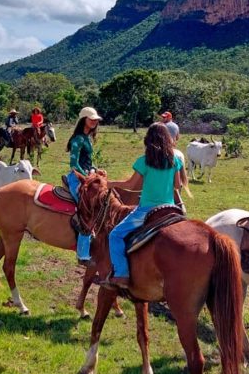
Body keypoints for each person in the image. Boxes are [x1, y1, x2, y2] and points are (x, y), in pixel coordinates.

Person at [101, 123, 183, 289]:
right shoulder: (175, 161)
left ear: (148, 140)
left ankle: (122, 275)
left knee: (115, 235)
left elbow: (131, 185)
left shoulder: (144, 161)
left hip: (147, 210)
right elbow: (177, 185)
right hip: (171, 210)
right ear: (168, 139)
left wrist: (109, 184)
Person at [67, 106, 102, 265]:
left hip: (87, 177)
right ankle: (83, 255)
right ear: (83, 120)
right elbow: (74, 164)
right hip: (77, 178)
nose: (94, 121)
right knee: (86, 211)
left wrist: (95, 170)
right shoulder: (78, 139)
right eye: (91, 119)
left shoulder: (87, 138)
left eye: (96, 119)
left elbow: (88, 161)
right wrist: (87, 176)